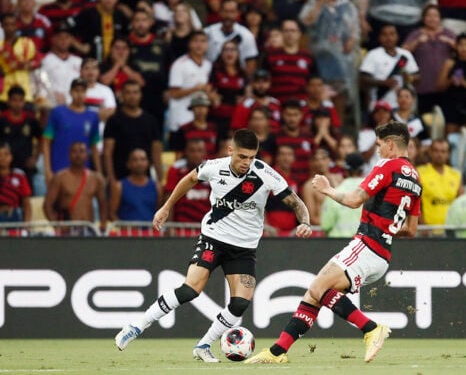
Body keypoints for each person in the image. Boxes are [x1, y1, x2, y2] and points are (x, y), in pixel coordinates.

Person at [115, 129, 313, 362]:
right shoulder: (213, 167)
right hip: (214, 239)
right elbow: (188, 179)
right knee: (190, 289)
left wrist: (306, 222)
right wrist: (166, 207)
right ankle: (136, 326)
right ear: (231, 151)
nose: (246, 163)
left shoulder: (266, 174)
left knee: (240, 304)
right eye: (242, 157)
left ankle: (204, 345)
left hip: (244, 248)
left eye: (251, 157)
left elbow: (296, 203)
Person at [245, 121, 422, 364]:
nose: (378, 150)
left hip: (366, 246)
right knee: (314, 294)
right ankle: (277, 352)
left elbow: (352, 200)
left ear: (391, 144)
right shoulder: (416, 179)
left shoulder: (387, 166)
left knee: (319, 288)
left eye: (380, 145)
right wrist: (387, 230)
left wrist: (327, 189)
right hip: (382, 254)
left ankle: (370, 328)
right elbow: (411, 230)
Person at [43, 78, 101, 185]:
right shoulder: (58, 112)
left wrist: (99, 172)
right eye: (76, 91)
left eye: (82, 91)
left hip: (83, 172)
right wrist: (47, 170)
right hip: (58, 169)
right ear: (70, 92)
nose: (79, 94)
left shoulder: (93, 116)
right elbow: (46, 142)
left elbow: (94, 146)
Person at [103, 80, 163, 183]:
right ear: (122, 95)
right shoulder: (113, 121)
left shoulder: (150, 120)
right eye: (128, 92)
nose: (132, 96)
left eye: (135, 92)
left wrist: (159, 178)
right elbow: (108, 152)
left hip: (145, 179)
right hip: (120, 178)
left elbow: (156, 152)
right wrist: (111, 179)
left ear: (141, 95)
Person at [402, 4, 456, 115]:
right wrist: (417, 42)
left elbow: (463, 49)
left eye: (435, 16)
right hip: (423, 86)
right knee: (425, 119)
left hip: (445, 86)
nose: (432, 19)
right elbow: (403, 52)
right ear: (423, 18)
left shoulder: (448, 33)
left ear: (440, 18)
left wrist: (450, 42)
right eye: (429, 16)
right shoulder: (416, 34)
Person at [43, 141, 107, 233]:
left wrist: (103, 224)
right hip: (68, 230)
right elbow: (47, 204)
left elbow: (103, 204)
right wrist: (56, 225)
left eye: (82, 151)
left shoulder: (96, 179)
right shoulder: (60, 178)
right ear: (69, 155)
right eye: (74, 152)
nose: (78, 155)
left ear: (87, 155)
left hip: (89, 229)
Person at [262, 19, 316, 103]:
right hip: (276, 103)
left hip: (301, 104)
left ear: (299, 34)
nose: (290, 34)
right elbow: (263, 81)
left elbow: (314, 81)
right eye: (286, 31)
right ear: (281, 33)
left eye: (293, 31)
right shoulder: (270, 56)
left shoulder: (308, 56)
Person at [204, 0, 258, 78]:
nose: (228, 16)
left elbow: (250, 64)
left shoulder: (247, 35)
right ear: (220, 12)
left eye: (232, 12)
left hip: (237, 80)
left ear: (237, 13)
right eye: (225, 11)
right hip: (211, 79)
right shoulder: (207, 33)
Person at [0, 86, 42, 188]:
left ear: (24, 102)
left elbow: (42, 139)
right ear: (8, 102)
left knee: (27, 193)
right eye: (14, 100)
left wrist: (35, 158)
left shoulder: (31, 120)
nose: (17, 104)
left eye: (20, 100)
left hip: (26, 165)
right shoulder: (2, 120)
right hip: (5, 167)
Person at [163, 138, 210, 224]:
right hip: (181, 228)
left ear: (205, 153)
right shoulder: (175, 169)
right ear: (186, 152)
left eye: (199, 151)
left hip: (206, 227)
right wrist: (169, 225)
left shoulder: (212, 170)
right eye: (192, 151)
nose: (196, 154)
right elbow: (169, 198)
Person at [417, 139, 462, 225]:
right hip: (428, 230)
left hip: (450, 229)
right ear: (430, 152)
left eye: (443, 151)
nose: (439, 154)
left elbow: (460, 203)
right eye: (436, 151)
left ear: (448, 154)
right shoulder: (420, 173)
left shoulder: (456, 175)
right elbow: (414, 203)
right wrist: (423, 225)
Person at [109, 148, 161, 222]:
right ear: (128, 164)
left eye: (143, 159)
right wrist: (123, 228)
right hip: (127, 232)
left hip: (151, 232)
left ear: (148, 163)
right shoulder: (119, 186)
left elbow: (160, 211)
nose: (139, 163)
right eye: (135, 160)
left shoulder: (157, 187)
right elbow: (112, 213)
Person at [320, 152, 364, 238]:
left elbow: (326, 225)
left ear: (346, 170)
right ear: (362, 170)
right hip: (366, 244)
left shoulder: (334, 193)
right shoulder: (375, 192)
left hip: (338, 244)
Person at [301, 148, 342, 226]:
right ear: (312, 163)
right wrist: (332, 225)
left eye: (324, 158)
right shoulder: (309, 186)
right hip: (322, 229)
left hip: (343, 227)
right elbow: (311, 217)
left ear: (329, 160)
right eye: (317, 159)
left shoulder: (339, 179)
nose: (320, 162)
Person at [0, 142, 32, 223]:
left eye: (6, 154)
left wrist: (26, 225)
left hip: (14, 215)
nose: (2, 158)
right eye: (0, 155)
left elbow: (26, 203)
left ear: (11, 157)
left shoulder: (19, 175)